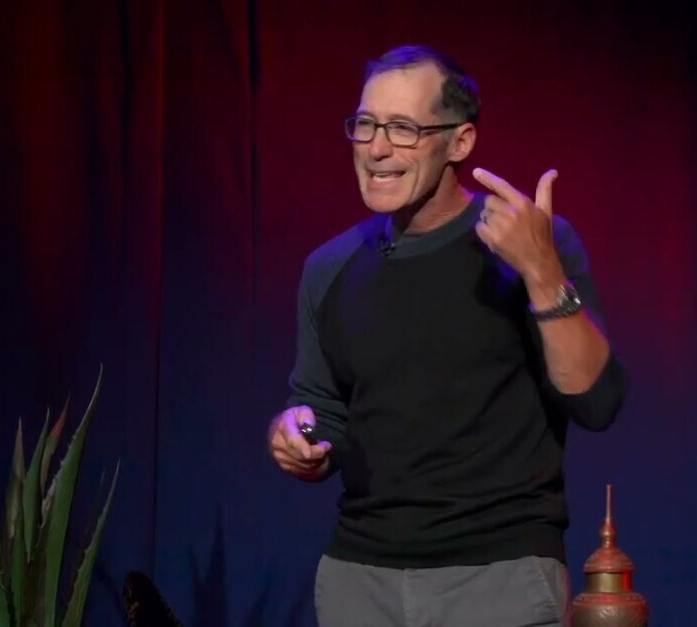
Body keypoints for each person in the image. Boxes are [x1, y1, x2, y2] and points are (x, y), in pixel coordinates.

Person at [267, 44, 627, 627]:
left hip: (498, 577)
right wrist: (294, 433)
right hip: (360, 580)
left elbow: (597, 400)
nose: (376, 148)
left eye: (403, 129)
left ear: (459, 143)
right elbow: (319, 407)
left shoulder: (530, 243)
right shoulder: (329, 268)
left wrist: (541, 273)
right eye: (366, 124)